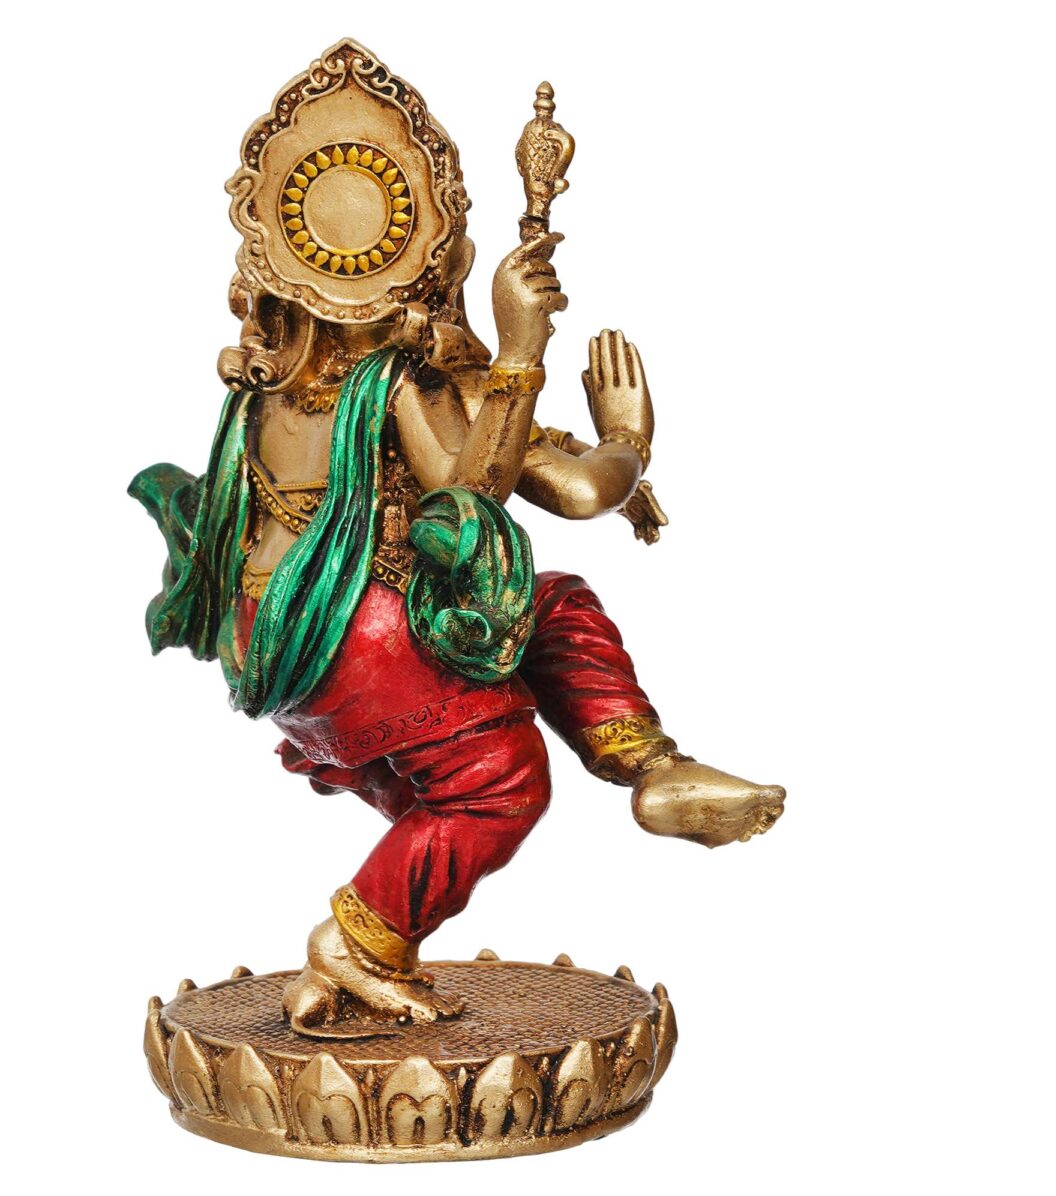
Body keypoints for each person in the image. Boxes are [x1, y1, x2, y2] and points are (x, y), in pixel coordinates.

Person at [131, 40, 784, 1034]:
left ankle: (648, 764)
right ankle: (358, 942)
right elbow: (483, 504)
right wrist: (578, 397)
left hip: (273, 647)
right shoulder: (400, 383)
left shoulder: (260, 391)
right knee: (497, 786)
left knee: (549, 609)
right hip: (358, 636)